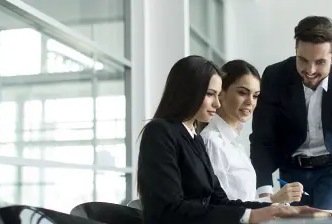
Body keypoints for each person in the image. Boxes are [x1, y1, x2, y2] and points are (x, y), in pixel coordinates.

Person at [137, 55, 322, 224]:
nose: (217, 104)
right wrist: (250, 215)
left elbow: (220, 201)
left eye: (217, 95)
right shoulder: (160, 132)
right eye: (210, 94)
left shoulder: (195, 139)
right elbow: (168, 209)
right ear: (188, 91)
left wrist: (277, 209)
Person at [250, 16, 332, 211]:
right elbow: (262, 136)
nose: (310, 70)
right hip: (290, 168)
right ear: (295, 50)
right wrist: (265, 193)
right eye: (302, 60)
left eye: (319, 62)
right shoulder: (275, 76)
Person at [200, 59, 304, 204]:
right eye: (243, 92)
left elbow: (244, 201)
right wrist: (273, 200)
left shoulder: (234, 145)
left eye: (255, 96)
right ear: (221, 93)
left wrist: (277, 202)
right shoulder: (212, 142)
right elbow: (220, 207)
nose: (251, 102)